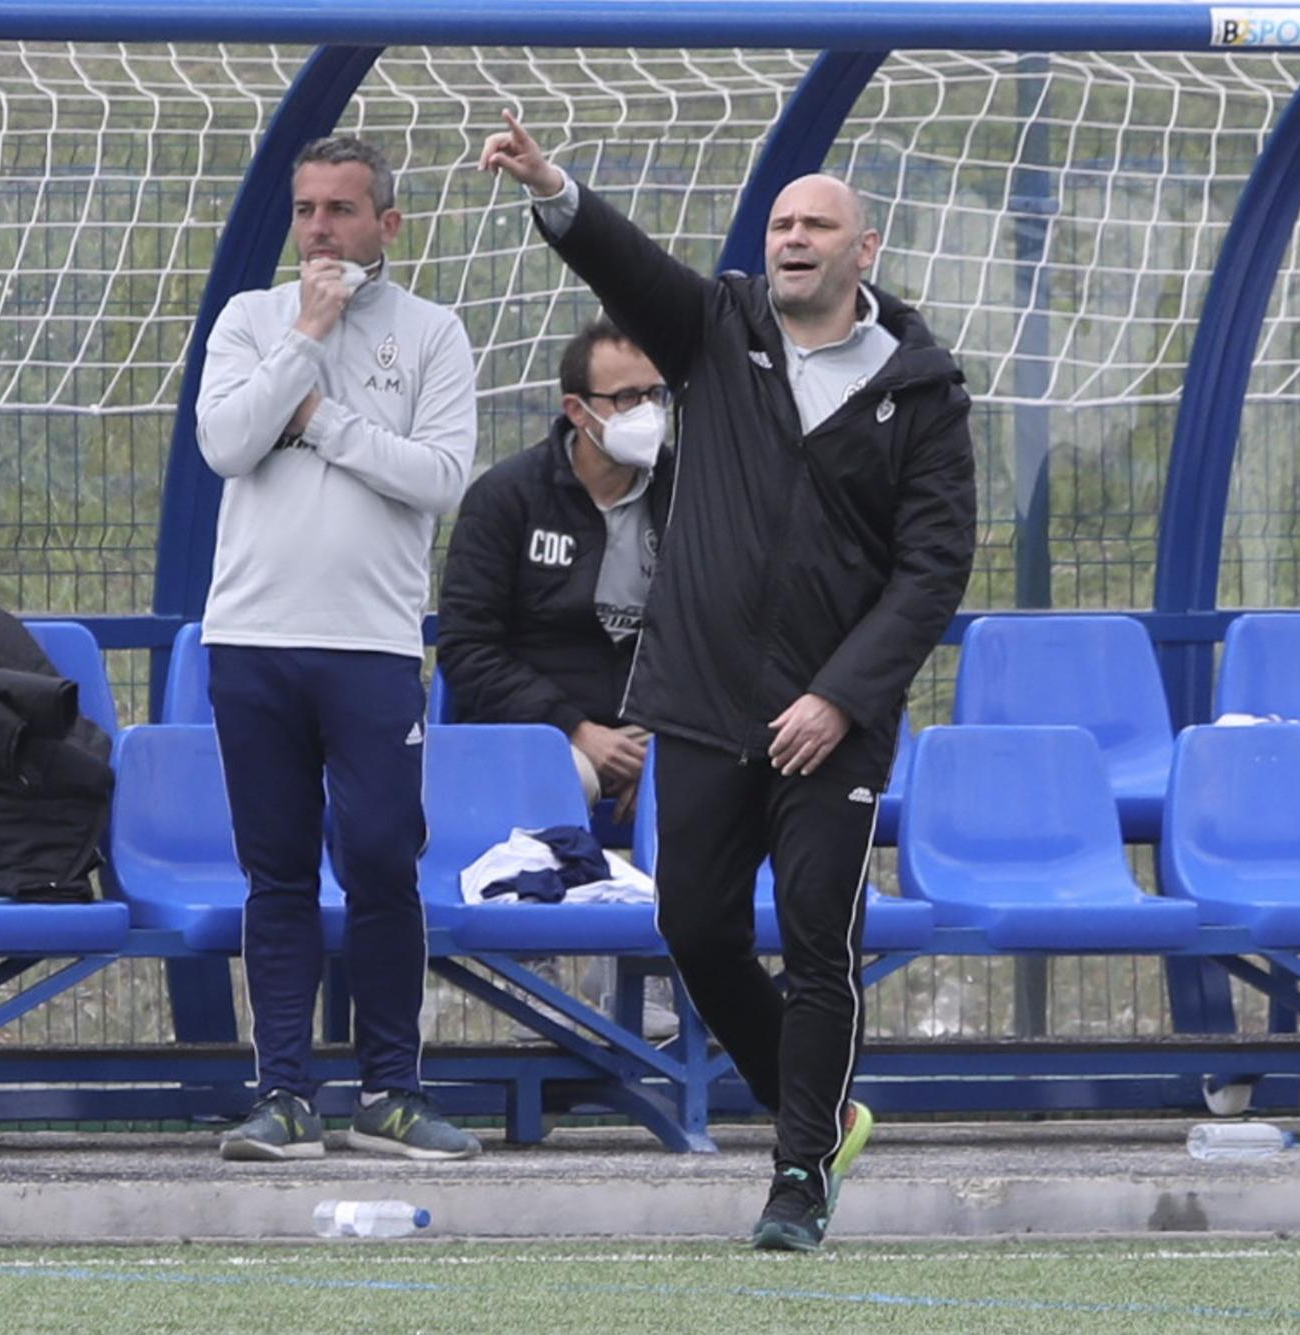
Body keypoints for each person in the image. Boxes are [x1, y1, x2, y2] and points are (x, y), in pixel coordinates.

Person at [483, 114, 978, 1249]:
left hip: (831, 725)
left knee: (819, 942)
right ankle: (823, 1110)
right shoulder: (716, 327)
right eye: (781, 224)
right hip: (704, 704)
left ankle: (798, 1174)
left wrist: (841, 696)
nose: (793, 238)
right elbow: (621, 262)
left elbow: (931, 568)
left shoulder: (922, 390)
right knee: (696, 929)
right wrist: (552, 184)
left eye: (817, 225)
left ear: (865, 249)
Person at [196, 135, 481, 1162]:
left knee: (377, 860)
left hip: (370, 646)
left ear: (386, 223)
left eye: (341, 210)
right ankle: (282, 1095)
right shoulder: (250, 321)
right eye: (307, 209)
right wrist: (304, 349)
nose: (320, 229)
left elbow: (440, 476)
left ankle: (390, 1094)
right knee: (273, 872)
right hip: (251, 640)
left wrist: (317, 424)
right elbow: (226, 444)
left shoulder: (435, 334)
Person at [437, 317, 678, 1040]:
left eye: (658, 394)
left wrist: (655, 737)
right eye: (627, 397)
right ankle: (533, 970)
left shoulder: (691, 494)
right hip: (534, 735)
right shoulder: (505, 499)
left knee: (706, 771)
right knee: (559, 774)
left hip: (653, 724)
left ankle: (655, 970)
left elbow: (720, 632)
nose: (648, 413)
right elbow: (467, 649)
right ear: (578, 410)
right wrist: (579, 731)